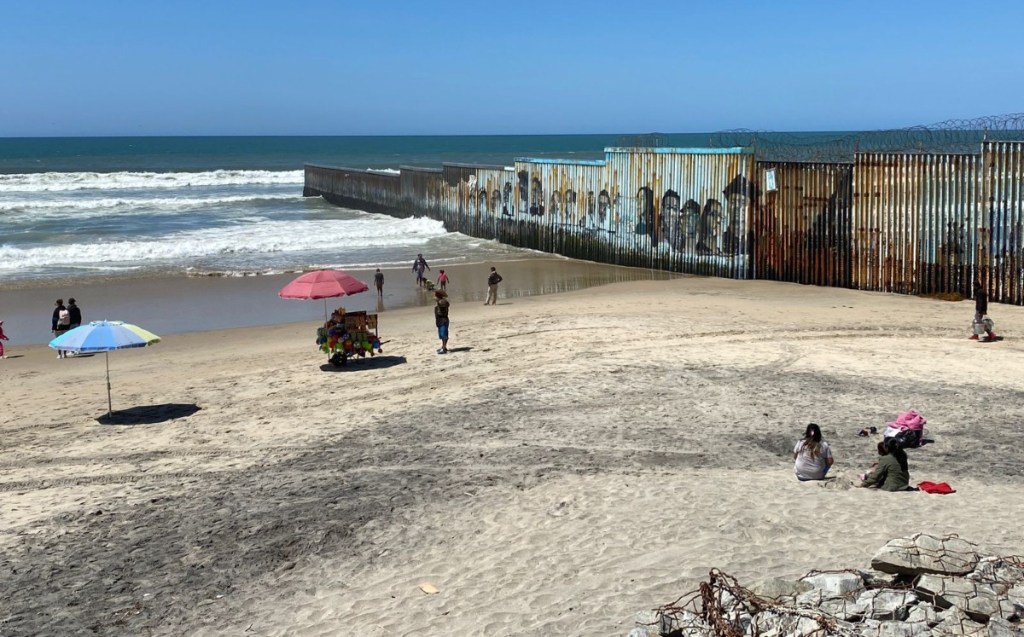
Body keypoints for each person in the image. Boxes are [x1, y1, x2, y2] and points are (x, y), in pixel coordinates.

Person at [434, 289, 450, 354]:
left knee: (444, 335)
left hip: (443, 319)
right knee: (442, 334)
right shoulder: (440, 301)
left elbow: (444, 305)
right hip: (440, 320)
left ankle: (444, 348)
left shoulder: (442, 302)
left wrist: (438, 301)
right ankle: (443, 347)